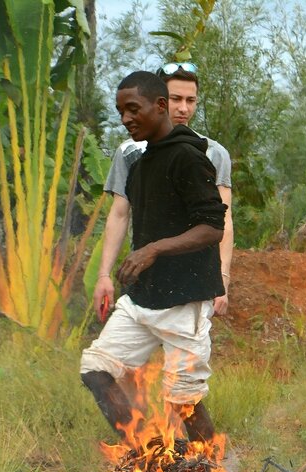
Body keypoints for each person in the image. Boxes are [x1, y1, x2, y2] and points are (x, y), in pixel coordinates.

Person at [80, 71, 226, 442]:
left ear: (160, 106)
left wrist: (153, 249)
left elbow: (213, 227)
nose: (126, 118)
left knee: (183, 401)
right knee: (95, 369)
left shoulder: (189, 158)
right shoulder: (141, 163)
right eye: (120, 112)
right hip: (142, 299)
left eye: (133, 109)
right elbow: (120, 214)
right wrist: (107, 273)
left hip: (184, 300)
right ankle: (147, 453)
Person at [99, 62, 234, 320]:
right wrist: (104, 274)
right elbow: (119, 214)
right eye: (176, 99)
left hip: (189, 286)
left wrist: (223, 279)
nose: (184, 108)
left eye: (191, 100)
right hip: (144, 282)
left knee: (184, 358)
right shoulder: (131, 153)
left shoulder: (210, 153)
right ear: (159, 101)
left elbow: (221, 221)